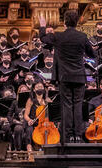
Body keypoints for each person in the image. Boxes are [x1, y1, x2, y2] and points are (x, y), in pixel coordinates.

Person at [38, 10, 95, 143]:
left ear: (64, 22)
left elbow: (43, 38)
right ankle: (78, 135)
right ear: (77, 22)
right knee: (78, 105)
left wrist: (42, 26)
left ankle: (68, 136)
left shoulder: (58, 36)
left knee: (67, 106)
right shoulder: (82, 36)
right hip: (80, 77)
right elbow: (92, 55)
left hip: (64, 77)